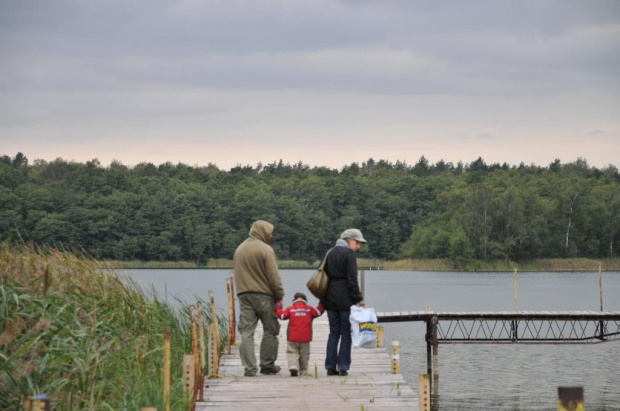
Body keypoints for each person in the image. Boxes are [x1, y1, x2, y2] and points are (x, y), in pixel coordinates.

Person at [233, 220, 284, 376]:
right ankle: (267, 365)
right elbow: (273, 276)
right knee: (270, 330)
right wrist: (279, 294)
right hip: (264, 296)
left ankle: (250, 368)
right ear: (263, 232)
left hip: (244, 295)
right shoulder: (266, 249)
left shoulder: (239, 249)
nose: (271, 235)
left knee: (246, 332)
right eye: (269, 232)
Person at [322, 228, 366, 376]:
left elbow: (324, 275)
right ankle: (343, 367)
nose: (358, 246)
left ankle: (330, 366)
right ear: (349, 241)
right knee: (346, 333)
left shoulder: (330, 252)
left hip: (329, 298)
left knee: (333, 333)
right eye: (357, 242)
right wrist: (358, 299)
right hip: (345, 299)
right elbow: (352, 280)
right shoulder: (349, 254)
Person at [275, 292, 324, 377]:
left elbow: (282, 316)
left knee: (292, 352)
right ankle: (303, 370)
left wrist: (278, 307)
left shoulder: (290, 309)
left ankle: (293, 367)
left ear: (294, 301)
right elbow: (319, 312)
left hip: (292, 337)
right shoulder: (309, 309)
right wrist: (322, 302)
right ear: (305, 301)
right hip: (305, 338)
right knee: (304, 354)